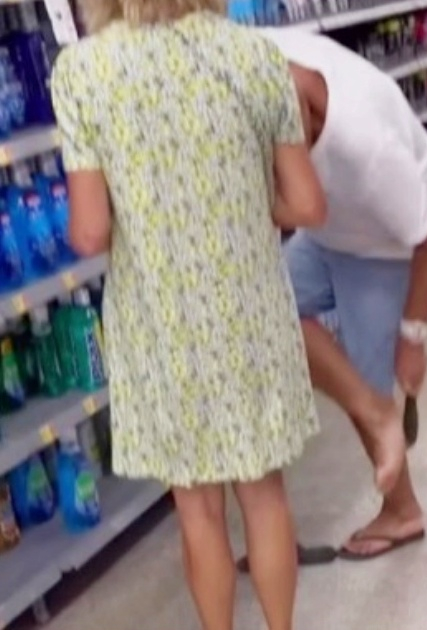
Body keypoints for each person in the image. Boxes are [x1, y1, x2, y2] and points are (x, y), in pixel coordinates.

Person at [51, 5, 325, 630]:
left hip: (161, 326)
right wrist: (250, 205)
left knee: (198, 509)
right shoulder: (254, 56)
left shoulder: (84, 71)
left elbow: (90, 232)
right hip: (251, 313)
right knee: (265, 493)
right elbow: (308, 202)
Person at [256, 28, 427, 560]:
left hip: (389, 245)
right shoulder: (259, 60)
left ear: (315, 122)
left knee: (371, 378)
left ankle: (403, 510)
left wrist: (414, 334)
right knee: (270, 309)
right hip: (327, 230)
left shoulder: (368, 152)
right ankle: (372, 407)